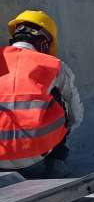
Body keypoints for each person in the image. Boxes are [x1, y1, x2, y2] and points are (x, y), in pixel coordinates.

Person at [0, 11, 82, 179]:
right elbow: (76, 116)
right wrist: (62, 133)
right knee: (60, 98)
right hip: (34, 161)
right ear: (44, 43)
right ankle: (56, 163)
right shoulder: (54, 65)